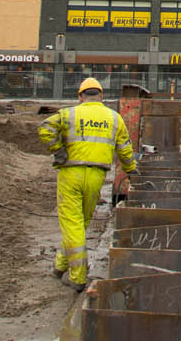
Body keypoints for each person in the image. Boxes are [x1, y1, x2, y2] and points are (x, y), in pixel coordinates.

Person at [37, 77, 138, 292]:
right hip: (96, 176)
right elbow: (125, 149)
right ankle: (60, 266)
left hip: (70, 173)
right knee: (79, 223)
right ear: (101, 96)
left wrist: (59, 150)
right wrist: (131, 172)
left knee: (73, 223)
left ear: (80, 96)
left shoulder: (69, 114)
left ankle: (78, 277)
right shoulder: (114, 118)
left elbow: (45, 128)